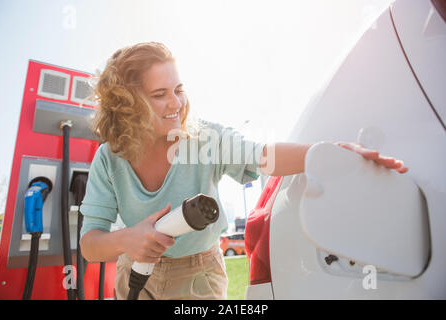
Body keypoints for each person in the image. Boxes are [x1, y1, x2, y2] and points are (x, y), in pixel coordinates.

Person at [79, 42, 408, 300]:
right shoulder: (110, 159)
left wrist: (329, 153)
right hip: (133, 275)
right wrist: (128, 239)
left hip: (199, 277)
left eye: (178, 89)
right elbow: (90, 245)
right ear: (126, 103)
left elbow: (263, 156)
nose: (177, 104)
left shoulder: (205, 139)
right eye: (159, 95)